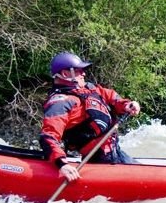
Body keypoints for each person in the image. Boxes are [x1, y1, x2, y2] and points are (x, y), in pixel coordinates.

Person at [39, 51, 141, 182]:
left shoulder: (88, 89)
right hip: (97, 159)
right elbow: (48, 137)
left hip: (115, 152)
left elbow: (111, 96)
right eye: (79, 70)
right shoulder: (61, 102)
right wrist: (62, 164)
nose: (84, 74)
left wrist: (127, 104)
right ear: (65, 74)